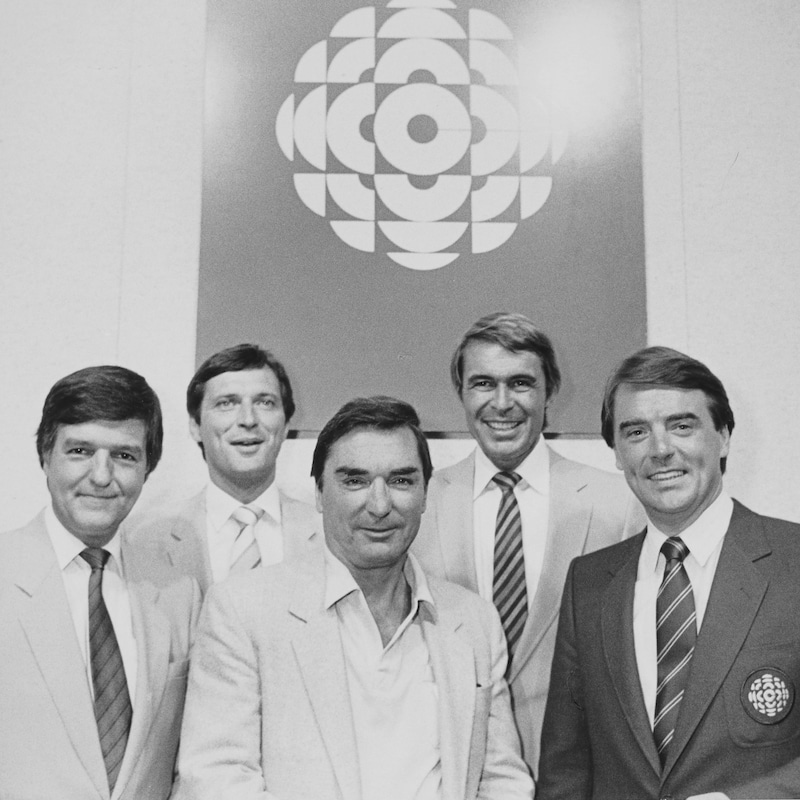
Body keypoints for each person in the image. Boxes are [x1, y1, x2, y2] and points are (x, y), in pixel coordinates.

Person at [173, 396, 534, 799]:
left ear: (425, 495)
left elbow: (502, 780)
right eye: (355, 480)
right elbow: (215, 779)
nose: (379, 505)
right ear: (319, 494)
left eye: (401, 480)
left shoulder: (474, 622)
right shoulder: (242, 610)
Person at [537, 346, 800, 800]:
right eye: (636, 432)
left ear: (723, 437)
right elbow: (566, 770)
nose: (660, 450)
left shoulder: (793, 562)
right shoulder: (589, 583)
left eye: (682, 425)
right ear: (617, 453)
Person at [412, 311, 643, 775]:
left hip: (581, 770)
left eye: (520, 383)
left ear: (549, 392)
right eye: (482, 383)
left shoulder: (619, 504)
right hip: (456, 766)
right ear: (460, 391)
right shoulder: (419, 503)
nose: (502, 403)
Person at [0, 366, 200, 800]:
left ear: (149, 467)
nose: (102, 476)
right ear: (45, 455)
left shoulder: (179, 592)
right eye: (80, 451)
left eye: (125, 455)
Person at [132, 343, 320, 593]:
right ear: (195, 426)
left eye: (265, 403)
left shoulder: (328, 533)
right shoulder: (140, 540)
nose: (248, 420)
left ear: (286, 425)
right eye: (226, 403)